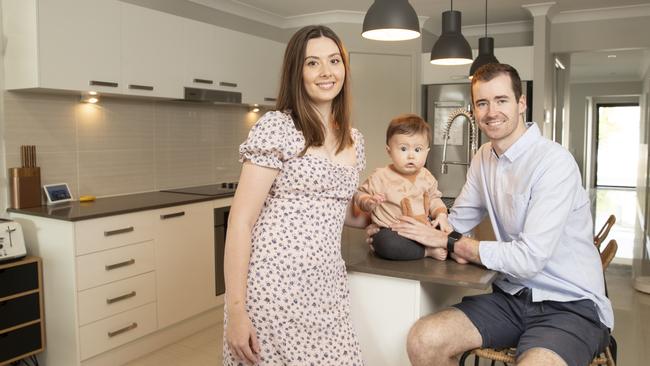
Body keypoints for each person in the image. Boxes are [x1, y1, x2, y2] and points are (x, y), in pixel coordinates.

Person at [384, 63, 613, 366]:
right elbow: (457, 220)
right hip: (511, 298)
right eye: (482, 103)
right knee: (423, 340)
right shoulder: (483, 158)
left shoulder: (554, 162)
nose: (491, 111)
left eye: (501, 100)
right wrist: (395, 228)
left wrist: (454, 244)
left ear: (521, 103)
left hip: (569, 304)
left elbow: (529, 258)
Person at [223, 25, 368, 366]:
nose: (326, 72)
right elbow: (241, 222)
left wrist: (372, 215)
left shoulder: (354, 139)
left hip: (327, 287)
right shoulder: (277, 127)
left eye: (334, 61)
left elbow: (336, 210)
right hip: (273, 288)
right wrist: (237, 311)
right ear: (296, 72)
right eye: (312, 63)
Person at [354, 114, 453, 261]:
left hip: (423, 229)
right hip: (394, 231)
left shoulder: (426, 176)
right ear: (389, 151)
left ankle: (438, 246)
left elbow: (434, 199)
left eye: (418, 150)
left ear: (427, 152)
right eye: (404, 149)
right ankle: (426, 252)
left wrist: (442, 216)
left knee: (449, 233)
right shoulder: (380, 176)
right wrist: (368, 201)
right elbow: (359, 194)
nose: (411, 156)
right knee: (384, 242)